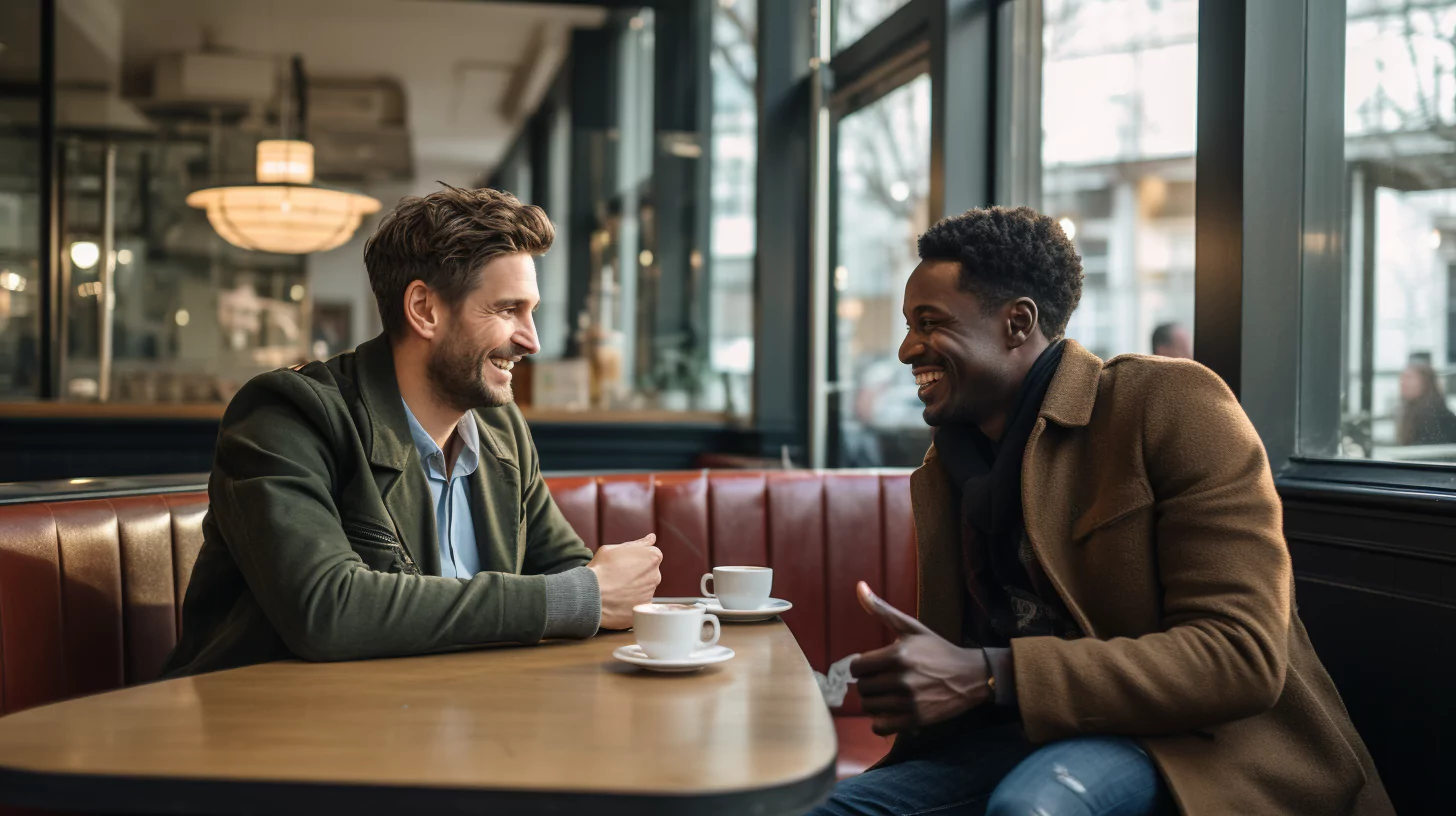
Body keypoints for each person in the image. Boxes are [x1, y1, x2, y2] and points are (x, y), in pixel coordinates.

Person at [812, 207, 1392, 815]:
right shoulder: (950, 469)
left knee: (1030, 810)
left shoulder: (1169, 404)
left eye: (929, 323)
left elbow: (1240, 657)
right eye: (908, 325)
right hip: (1033, 729)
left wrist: (987, 673)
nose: (907, 349)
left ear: (1018, 323)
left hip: (1197, 746)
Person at [163, 186, 662, 677]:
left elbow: (567, 573)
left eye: (532, 312)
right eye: (508, 310)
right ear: (424, 309)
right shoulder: (287, 415)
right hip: (263, 735)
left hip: (439, 723)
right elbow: (328, 610)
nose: (531, 340)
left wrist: (594, 592)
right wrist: (577, 598)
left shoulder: (500, 426)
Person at [1396, 353, 1456, 446]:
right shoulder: (1409, 410)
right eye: (1402, 377)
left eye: (1409, 378)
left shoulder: (1438, 416)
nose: (1403, 383)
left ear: (1425, 382)